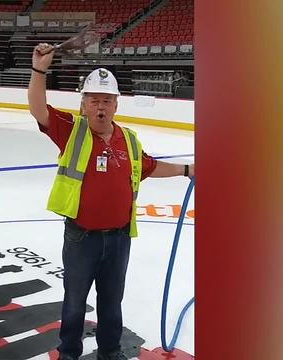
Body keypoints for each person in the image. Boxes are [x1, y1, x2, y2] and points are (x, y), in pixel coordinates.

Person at [28, 42, 195, 360]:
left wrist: (187, 169)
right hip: (82, 237)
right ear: (84, 104)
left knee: (111, 300)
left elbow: (150, 166)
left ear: (116, 104)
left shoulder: (128, 139)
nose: (100, 106)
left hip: (119, 238)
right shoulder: (71, 131)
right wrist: (39, 71)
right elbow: (38, 109)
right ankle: (69, 353)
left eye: (107, 100)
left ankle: (110, 351)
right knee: (75, 300)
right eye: (94, 100)